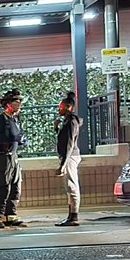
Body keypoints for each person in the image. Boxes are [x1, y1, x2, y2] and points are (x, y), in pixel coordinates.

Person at [0, 89, 26, 228]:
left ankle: (11, 215)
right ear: (8, 104)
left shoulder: (14, 119)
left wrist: (21, 140)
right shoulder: (0, 119)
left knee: (16, 187)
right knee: (2, 187)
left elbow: (19, 135)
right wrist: (11, 138)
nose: (19, 104)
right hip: (3, 157)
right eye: (17, 101)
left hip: (14, 156)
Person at [55, 91, 82, 227]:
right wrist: (57, 129)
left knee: (72, 186)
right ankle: (71, 215)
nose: (59, 109)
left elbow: (69, 143)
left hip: (70, 157)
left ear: (68, 107)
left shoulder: (71, 121)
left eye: (61, 107)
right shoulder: (67, 121)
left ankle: (74, 216)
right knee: (69, 187)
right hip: (68, 156)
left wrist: (63, 164)